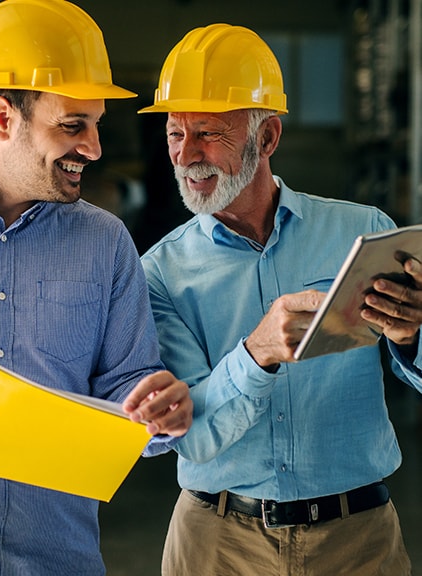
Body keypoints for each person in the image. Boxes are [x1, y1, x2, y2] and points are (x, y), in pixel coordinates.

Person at [0, 1, 192, 574]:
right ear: (3, 117)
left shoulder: (106, 243)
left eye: (96, 123)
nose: (95, 148)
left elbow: (128, 392)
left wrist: (157, 411)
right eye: (72, 125)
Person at [133, 23, 422, 575]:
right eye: (175, 134)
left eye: (209, 134)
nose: (186, 155)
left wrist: (412, 338)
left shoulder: (362, 232)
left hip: (359, 540)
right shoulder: (158, 274)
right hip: (216, 545)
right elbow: (191, 435)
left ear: (267, 139)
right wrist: (257, 353)